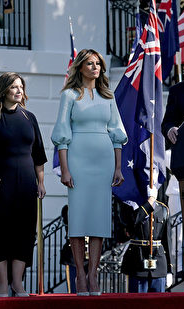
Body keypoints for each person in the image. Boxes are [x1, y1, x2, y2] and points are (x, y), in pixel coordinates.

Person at [51, 49, 127, 295]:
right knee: (78, 221)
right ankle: (80, 276)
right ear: (80, 68)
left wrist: (117, 167)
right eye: (89, 63)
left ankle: (93, 275)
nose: (95, 67)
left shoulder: (108, 96)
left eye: (98, 63)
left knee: (99, 221)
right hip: (78, 160)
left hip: (104, 161)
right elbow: (61, 135)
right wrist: (65, 169)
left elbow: (117, 133)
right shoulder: (70, 95)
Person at [0, 72, 47, 297]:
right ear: (4, 90)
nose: (19, 90)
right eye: (14, 87)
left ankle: (18, 283)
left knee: (23, 233)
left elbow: (39, 154)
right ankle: (2, 284)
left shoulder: (29, 117)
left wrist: (41, 182)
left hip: (26, 185)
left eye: (21, 87)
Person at [121, 191, 172, 293]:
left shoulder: (163, 208)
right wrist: (149, 203)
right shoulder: (130, 206)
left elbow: (167, 241)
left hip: (159, 263)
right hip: (137, 262)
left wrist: (169, 270)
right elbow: (131, 225)